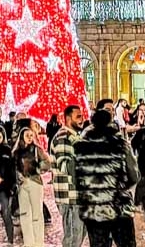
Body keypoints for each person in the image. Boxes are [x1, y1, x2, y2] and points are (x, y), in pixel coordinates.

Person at [74, 109, 139, 247]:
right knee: (126, 244)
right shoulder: (120, 144)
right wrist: (120, 184)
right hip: (119, 205)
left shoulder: (81, 146)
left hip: (93, 208)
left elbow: (76, 179)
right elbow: (134, 175)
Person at [50, 105, 86, 247]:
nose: (81, 119)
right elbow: (65, 165)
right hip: (69, 196)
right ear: (68, 118)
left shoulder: (74, 136)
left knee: (79, 234)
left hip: (75, 195)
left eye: (82, 116)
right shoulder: (63, 137)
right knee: (73, 236)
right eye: (78, 116)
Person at [13, 124, 52, 247]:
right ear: (22, 136)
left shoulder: (36, 149)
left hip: (35, 182)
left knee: (37, 213)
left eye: (31, 135)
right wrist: (18, 176)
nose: (29, 138)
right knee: (25, 213)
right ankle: (28, 242)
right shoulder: (16, 151)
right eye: (27, 135)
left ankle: (38, 242)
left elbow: (47, 162)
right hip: (22, 184)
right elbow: (13, 166)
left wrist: (38, 169)